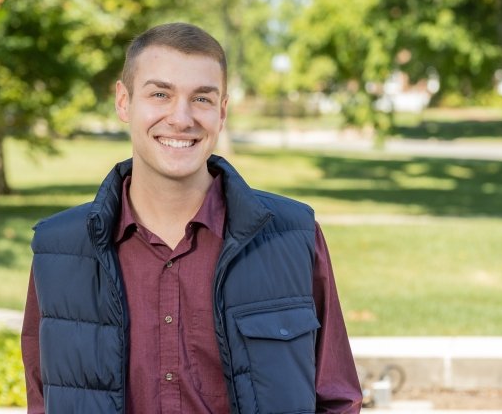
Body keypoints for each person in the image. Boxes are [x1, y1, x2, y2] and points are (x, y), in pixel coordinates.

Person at [21, 22, 362, 414]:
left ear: (222, 111)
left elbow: (337, 399)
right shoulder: (59, 250)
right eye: (160, 94)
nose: (181, 118)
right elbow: (42, 400)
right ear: (123, 101)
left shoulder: (293, 236)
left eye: (201, 99)